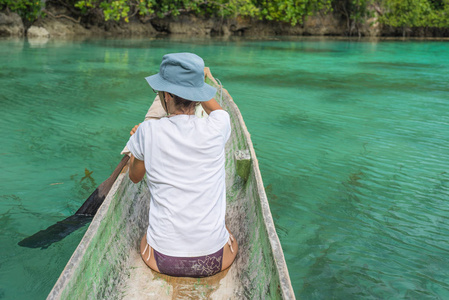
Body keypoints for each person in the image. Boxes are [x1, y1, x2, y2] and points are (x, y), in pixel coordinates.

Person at [125, 53, 238, 277]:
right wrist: (200, 84)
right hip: (214, 260)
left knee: (146, 237)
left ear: (166, 96)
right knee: (229, 234)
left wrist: (138, 148)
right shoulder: (219, 124)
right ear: (198, 95)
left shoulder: (147, 132)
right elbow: (218, 111)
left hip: (163, 260)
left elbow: (134, 177)